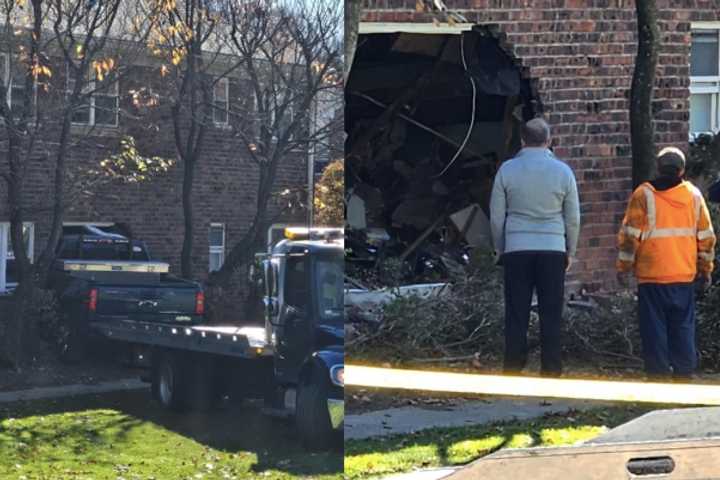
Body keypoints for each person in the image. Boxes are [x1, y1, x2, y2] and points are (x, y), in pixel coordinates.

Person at [490, 118, 581, 377]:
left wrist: (501, 248)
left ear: (521, 140)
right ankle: (551, 369)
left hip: (517, 248)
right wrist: (570, 250)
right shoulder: (563, 172)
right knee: (551, 312)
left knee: (516, 311)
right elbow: (573, 218)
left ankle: (512, 367)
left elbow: (497, 216)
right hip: (552, 248)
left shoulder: (507, 170)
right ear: (549, 140)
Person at [617, 147, 716, 380]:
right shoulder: (693, 196)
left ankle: (658, 377)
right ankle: (684, 374)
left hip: (652, 276)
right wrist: (705, 269)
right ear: (682, 170)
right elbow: (706, 236)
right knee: (683, 327)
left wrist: (624, 268)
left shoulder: (643, 195)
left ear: (658, 168)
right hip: (683, 275)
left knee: (654, 330)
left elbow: (630, 237)